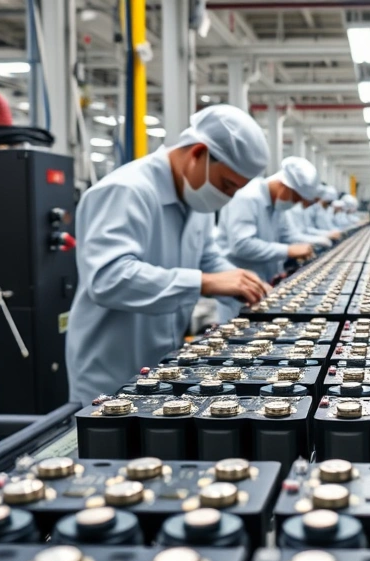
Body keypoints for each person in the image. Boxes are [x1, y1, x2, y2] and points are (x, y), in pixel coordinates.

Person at [66, 105, 272, 404]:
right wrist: (204, 283)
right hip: (111, 374)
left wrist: (246, 286)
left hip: (162, 367)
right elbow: (108, 278)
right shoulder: (126, 190)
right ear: (198, 153)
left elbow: (208, 259)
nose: (228, 197)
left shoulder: (195, 197)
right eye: (227, 185)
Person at [215, 156, 320, 321]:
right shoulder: (247, 197)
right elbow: (241, 244)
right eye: (295, 197)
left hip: (264, 286)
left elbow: (288, 236)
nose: (296, 203)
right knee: (236, 338)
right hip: (239, 291)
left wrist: (310, 245)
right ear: (283, 185)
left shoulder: (277, 206)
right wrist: (289, 250)